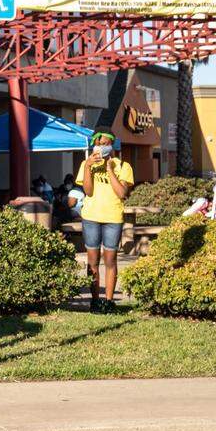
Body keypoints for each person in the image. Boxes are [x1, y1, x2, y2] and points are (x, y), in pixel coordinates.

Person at [75, 131, 134, 313]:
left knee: (110, 260)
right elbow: (89, 191)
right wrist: (87, 168)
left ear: (113, 145)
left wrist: (109, 169)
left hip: (112, 218)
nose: (103, 147)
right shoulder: (87, 164)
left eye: (107, 143)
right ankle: (94, 301)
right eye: (100, 144)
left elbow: (122, 193)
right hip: (91, 216)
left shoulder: (123, 165)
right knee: (93, 261)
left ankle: (108, 302)